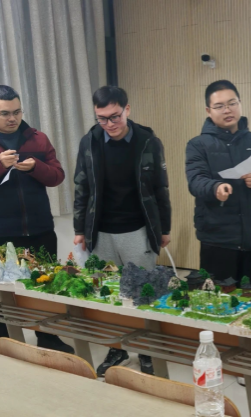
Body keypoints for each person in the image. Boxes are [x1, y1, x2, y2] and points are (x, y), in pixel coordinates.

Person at [0, 85, 72, 353]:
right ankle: (0, 340)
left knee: (45, 287)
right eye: (5, 113)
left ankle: (48, 337)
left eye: (17, 111)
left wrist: (36, 167)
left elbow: (57, 176)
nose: (12, 118)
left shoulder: (38, 139)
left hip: (40, 229)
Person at [73, 86, 172, 377]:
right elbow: (82, 186)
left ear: (127, 109)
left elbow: (161, 188)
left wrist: (164, 228)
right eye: (102, 118)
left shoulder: (148, 141)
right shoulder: (89, 142)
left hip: (137, 230)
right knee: (110, 294)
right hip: (100, 232)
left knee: (143, 293)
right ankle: (117, 348)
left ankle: (147, 350)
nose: (109, 124)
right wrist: (79, 229)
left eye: (115, 116)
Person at [185, 80, 251, 295]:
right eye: (219, 106)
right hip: (217, 239)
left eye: (232, 103)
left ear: (240, 103)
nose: (227, 110)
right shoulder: (198, 145)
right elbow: (195, 181)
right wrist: (215, 188)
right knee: (217, 301)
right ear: (208, 111)